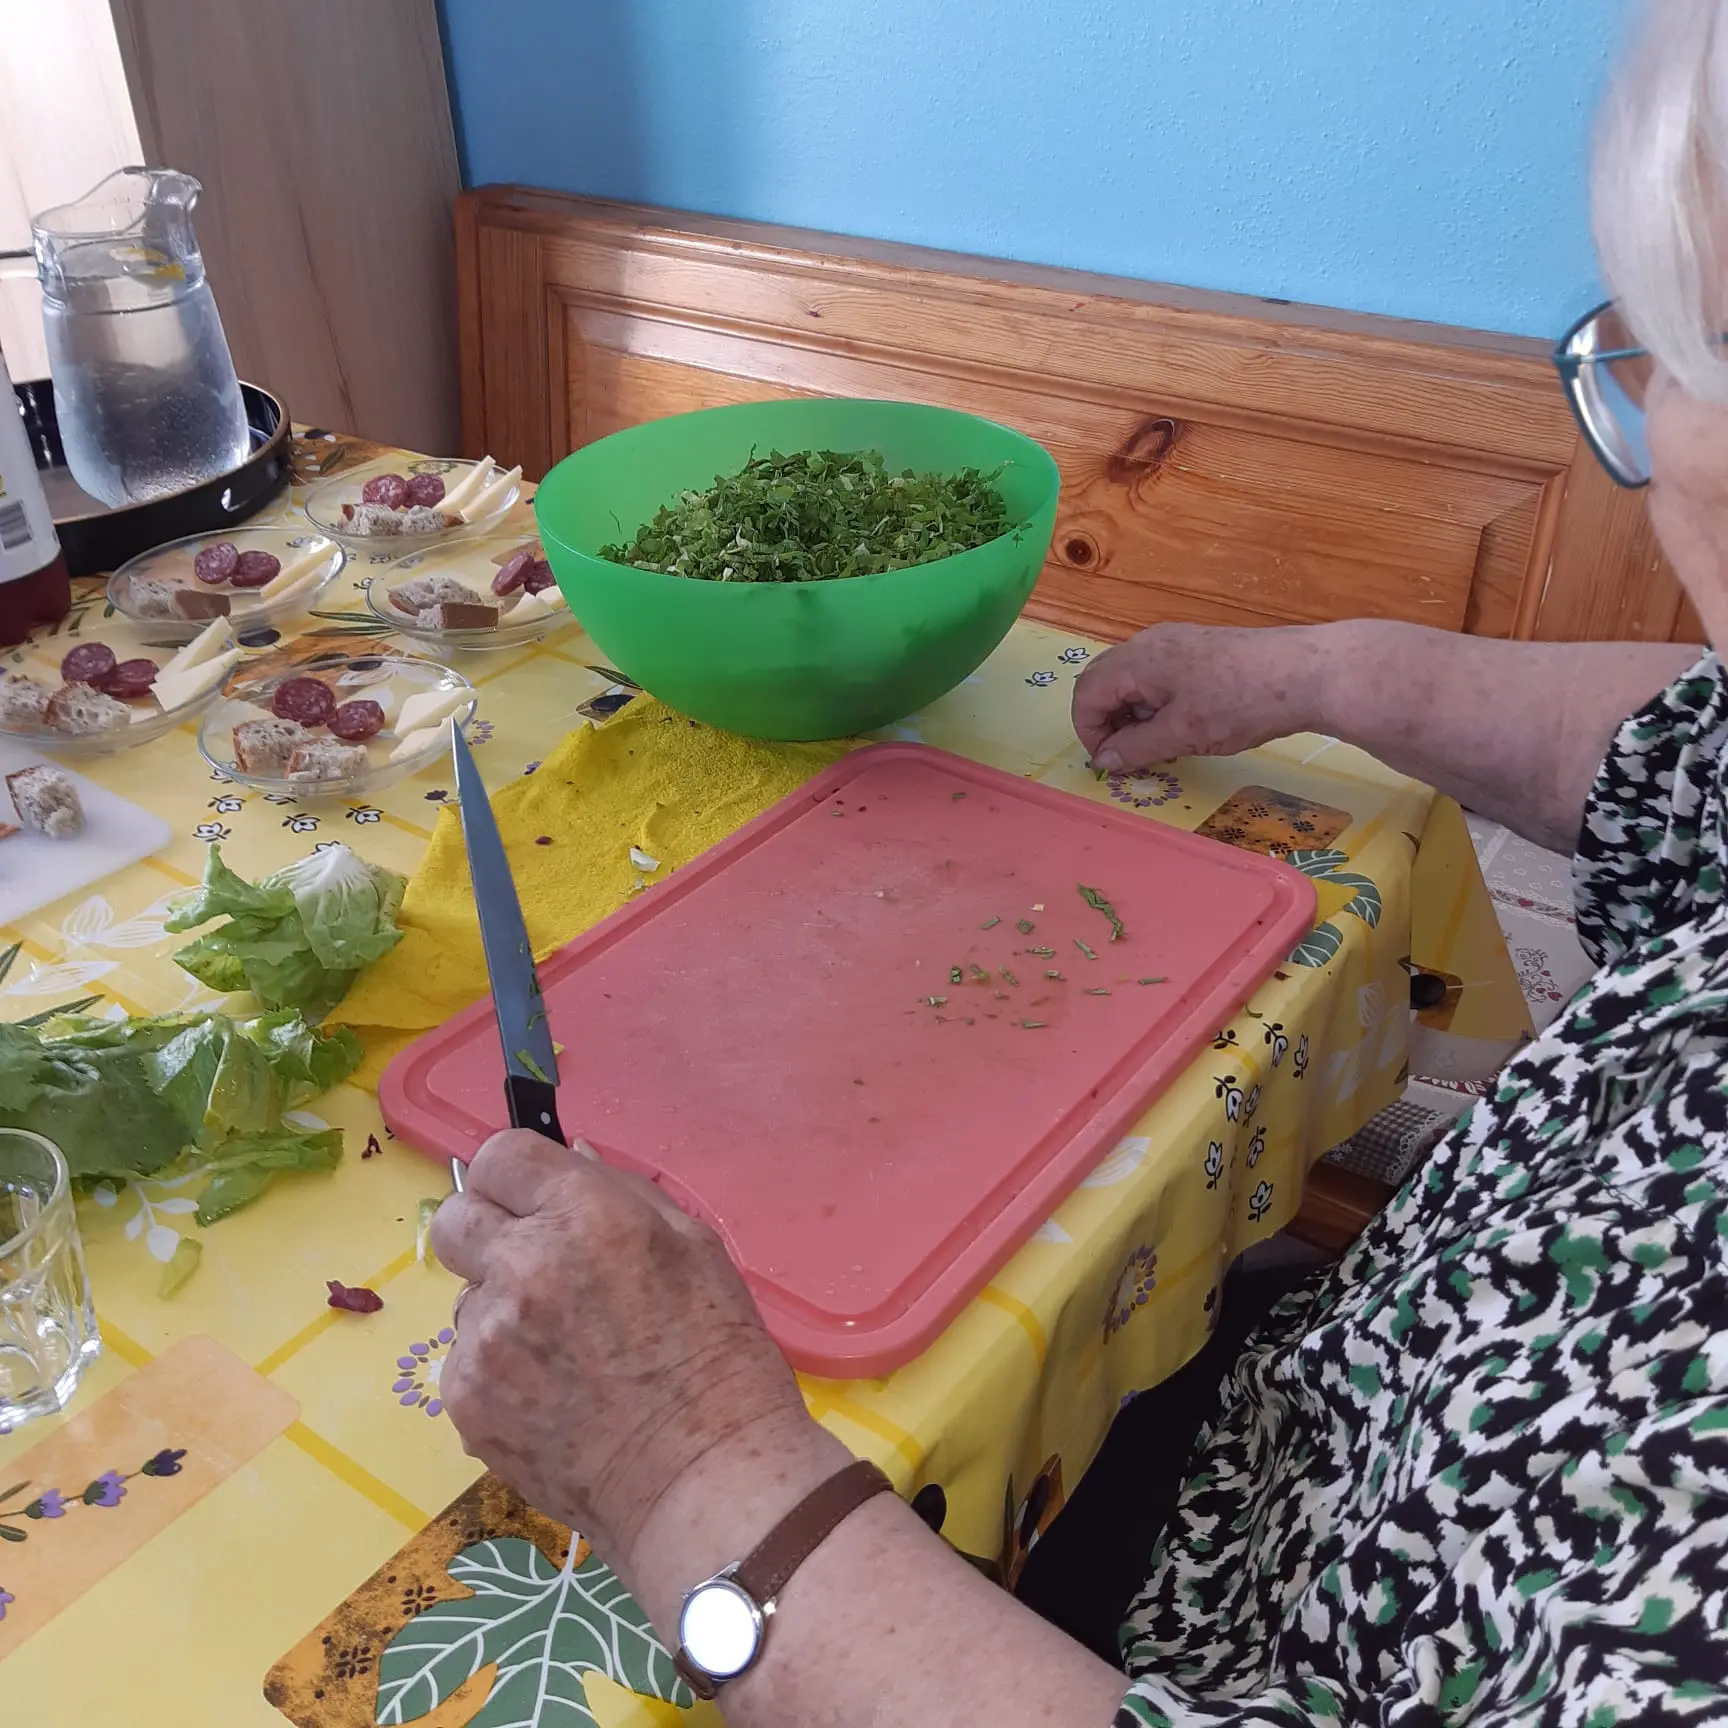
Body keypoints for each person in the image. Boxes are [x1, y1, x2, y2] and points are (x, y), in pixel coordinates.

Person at [430, 3, 1728, 1720]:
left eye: (1670, 354)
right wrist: (1319, 674)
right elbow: (1690, 754)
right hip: (1284, 1440)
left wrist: (682, 1467)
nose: (1633, 435)